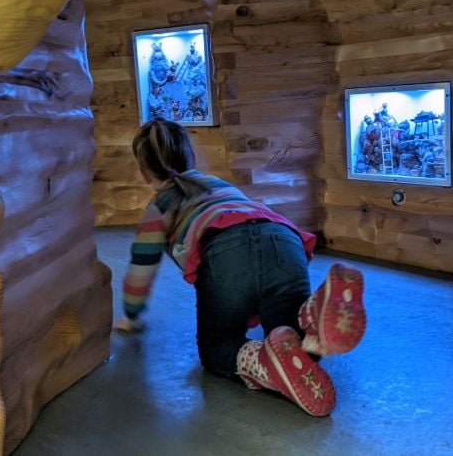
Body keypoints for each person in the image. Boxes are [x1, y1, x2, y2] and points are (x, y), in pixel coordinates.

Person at [114, 118, 366, 417]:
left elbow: (140, 270)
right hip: (284, 240)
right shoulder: (220, 185)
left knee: (216, 348)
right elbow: (250, 226)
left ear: (144, 174)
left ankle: (262, 362)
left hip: (224, 250)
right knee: (294, 342)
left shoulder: (158, 208)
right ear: (192, 158)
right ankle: (313, 317)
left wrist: (131, 315)